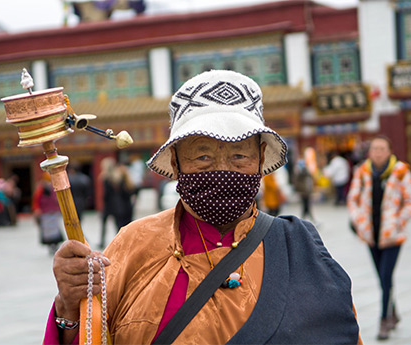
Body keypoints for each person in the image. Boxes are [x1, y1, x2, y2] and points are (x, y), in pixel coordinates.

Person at [44, 70, 362, 344]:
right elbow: (91, 335)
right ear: (178, 163)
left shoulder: (300, 250)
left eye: (239, 155)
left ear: (261, 160)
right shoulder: (133, 243)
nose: (221, 169)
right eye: (203, 156)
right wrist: (69, 308)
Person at [347, 135, 411, 340]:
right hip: (371, 234)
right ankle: (393, 313)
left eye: (381, 148)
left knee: (386, 277)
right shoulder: (363, 171)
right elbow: (353, 199)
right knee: (382, 278)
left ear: (389, 151)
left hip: (392, 236)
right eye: (374, 148)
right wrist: (360, 221)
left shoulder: (400, 171)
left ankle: (384, 321)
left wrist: (397, 221)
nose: (377, 152)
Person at [32, 172, 64, 255]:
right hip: (45, 213)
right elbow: (36, 201)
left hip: (54, 212)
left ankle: (55, 245)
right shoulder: (40, 189)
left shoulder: (54, 187)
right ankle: (51, 245)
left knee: (55, 230)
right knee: (48, 231)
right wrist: (37, 209)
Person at [294, 156, 316, 223]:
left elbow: (310, 182)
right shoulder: (299, 174)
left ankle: (307, 219)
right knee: (306, 206)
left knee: (307, 206)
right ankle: (307, 220)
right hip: (304, 192)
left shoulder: (306, 173)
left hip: (307, 192)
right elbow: (297, 184)